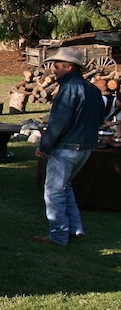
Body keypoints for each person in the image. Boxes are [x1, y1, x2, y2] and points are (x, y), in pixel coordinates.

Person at [34, 48, 104, 246]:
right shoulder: (93, 90)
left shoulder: (69, 89)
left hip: (67, 148)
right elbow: (99, 119)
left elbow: (59, 123)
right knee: (64, 187)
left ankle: (58, 235)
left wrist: (45, 146)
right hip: (86, 148)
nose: (53, 70)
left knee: (53, 191)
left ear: (69, 67)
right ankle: (74, 228)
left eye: (57, 66)